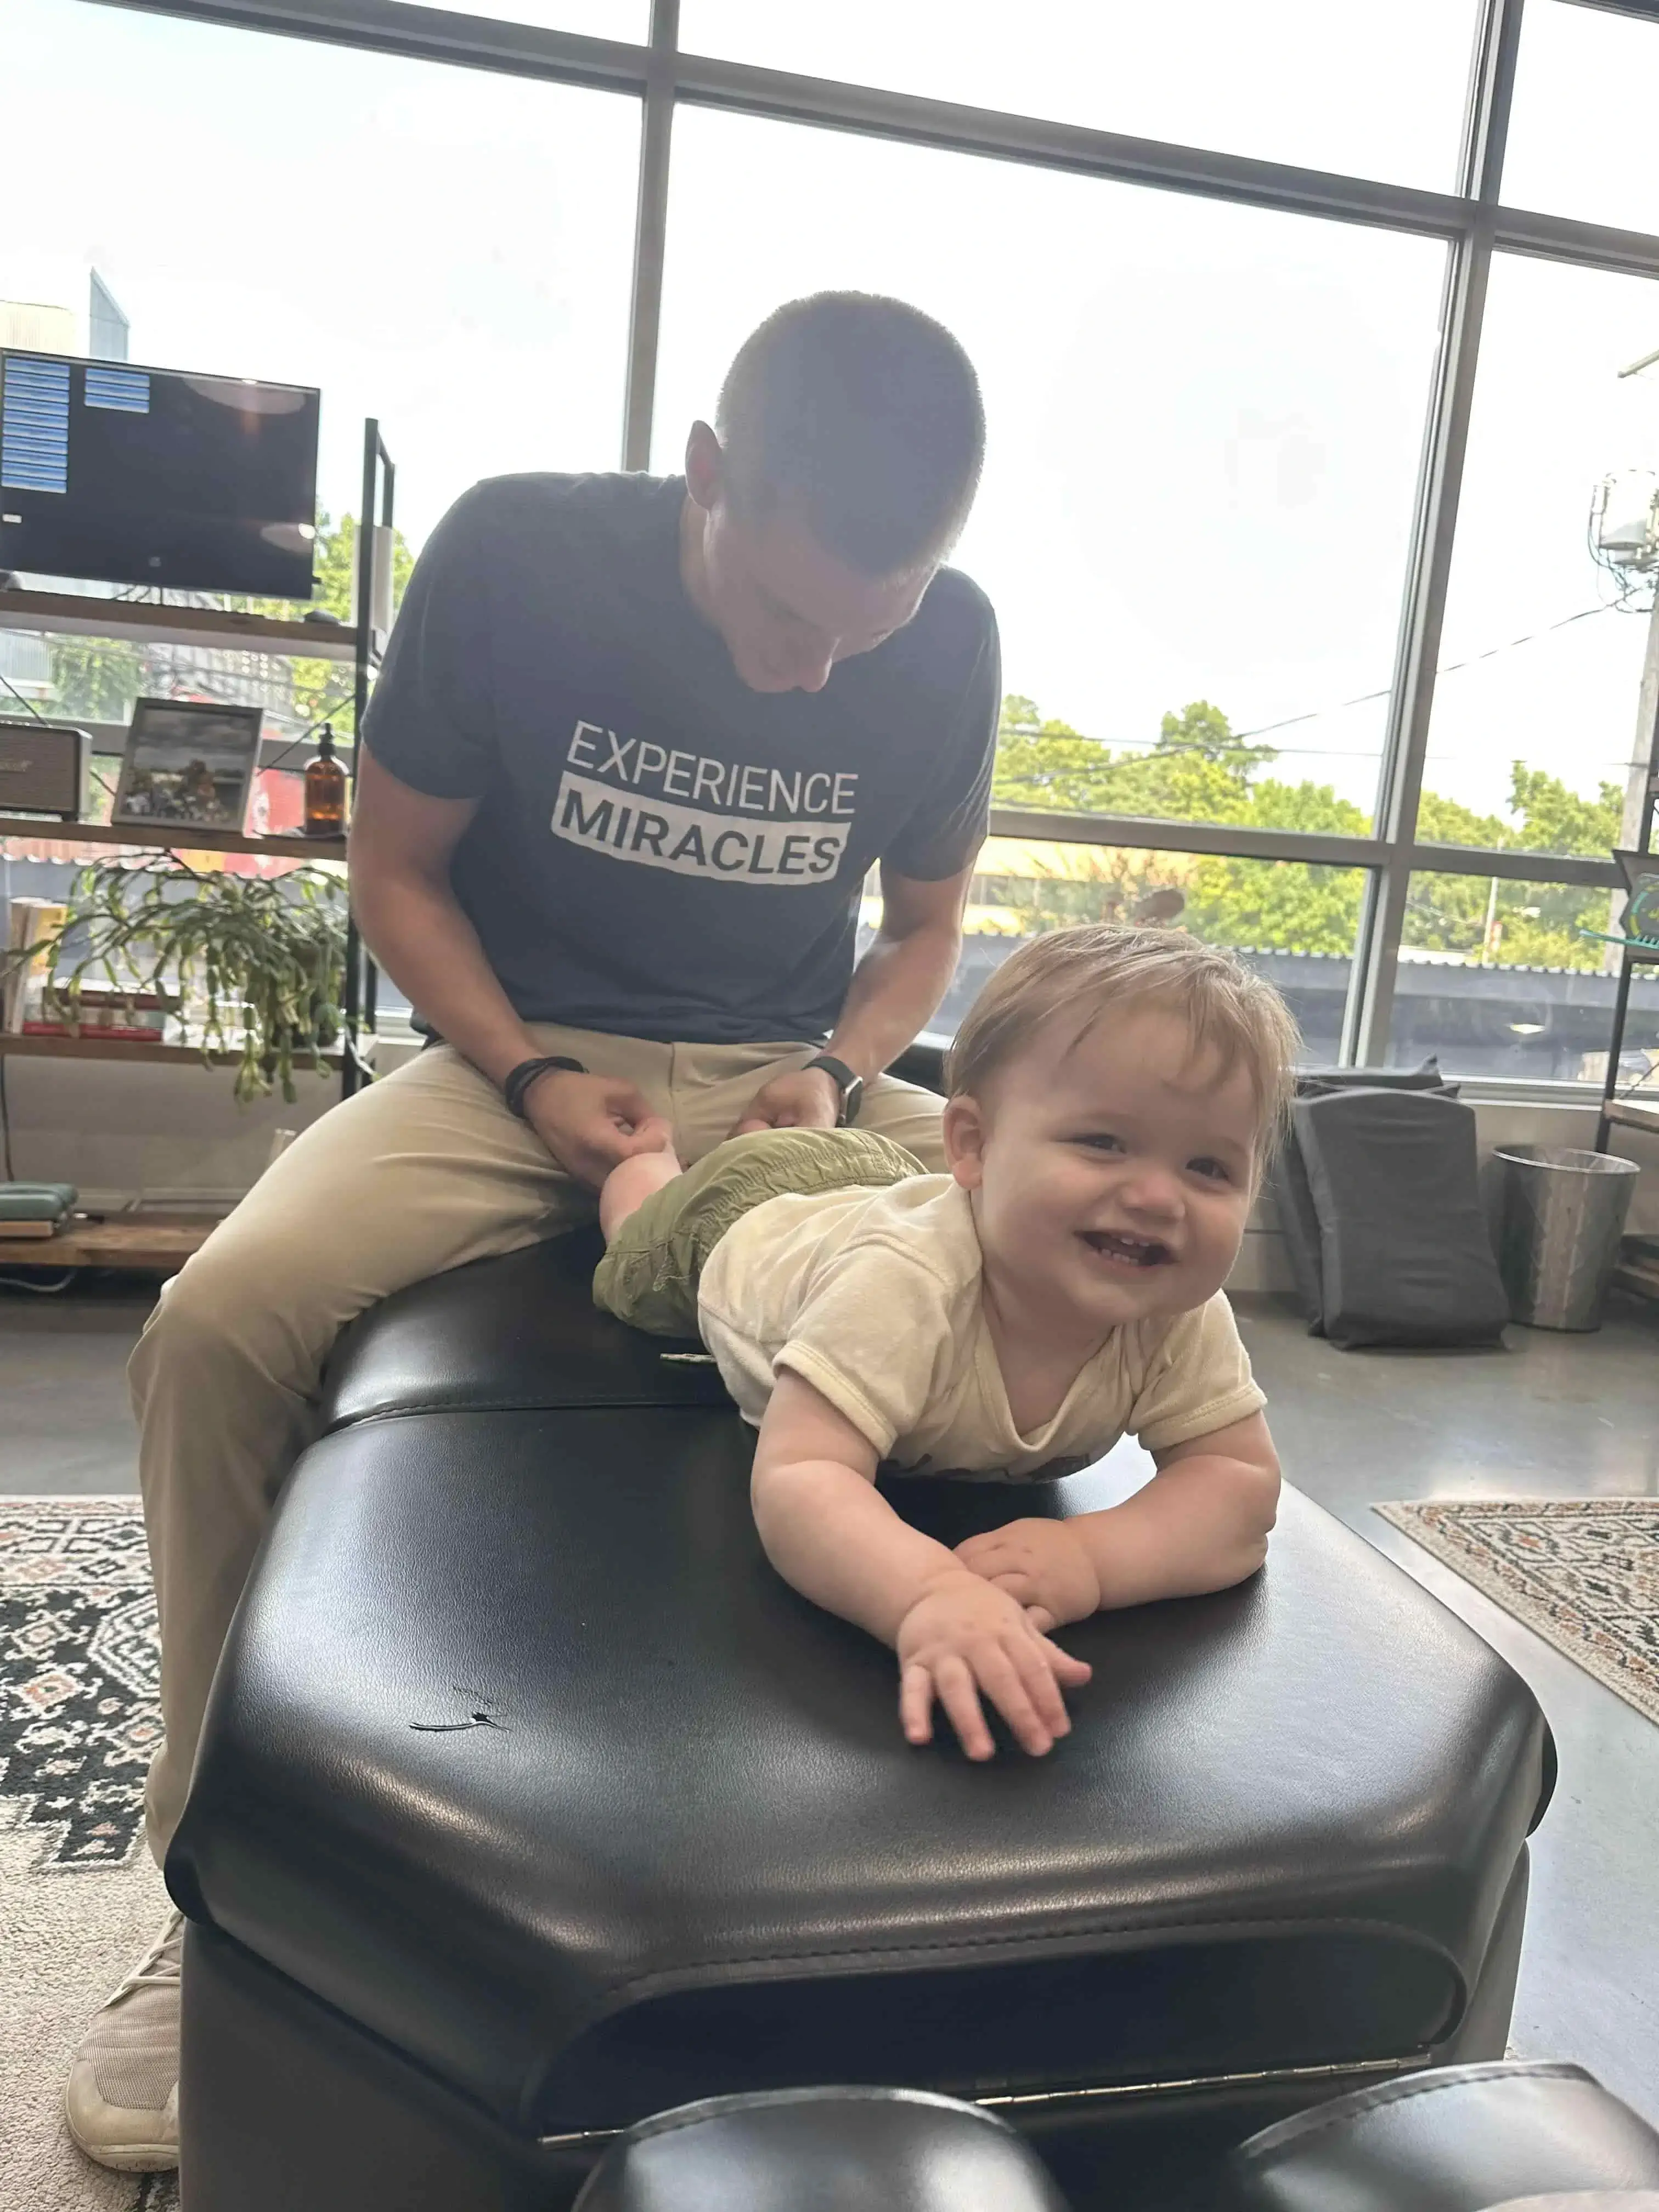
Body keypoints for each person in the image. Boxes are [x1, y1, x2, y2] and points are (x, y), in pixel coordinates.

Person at [66, 291, 998, 2173]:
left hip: (784, 1078)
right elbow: (398, 874)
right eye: (788, 620)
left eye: (863, 633)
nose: (816, 680)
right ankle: (218, 1895)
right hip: (521, 1063)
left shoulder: (944, 641)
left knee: (1038, 1255)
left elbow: (919, 929)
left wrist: (830, 1067)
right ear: (711, 477)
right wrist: (530, 1078)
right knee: (216, 1322)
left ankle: (940, 1901)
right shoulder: (514, 553)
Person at [592, 925, 1296, 1762]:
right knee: (638, 1243)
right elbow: (801, 1474)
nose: (1155, 1197)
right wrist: (926, 1595)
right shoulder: (906, 1286)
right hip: (746, 1220)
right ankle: (646, 1162)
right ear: (973, 1146)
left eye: (1208, 1169)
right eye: (1104, 1142)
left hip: (875, 1184)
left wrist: (1092, 1559)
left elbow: (1240, 1489)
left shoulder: (1178, 1308)